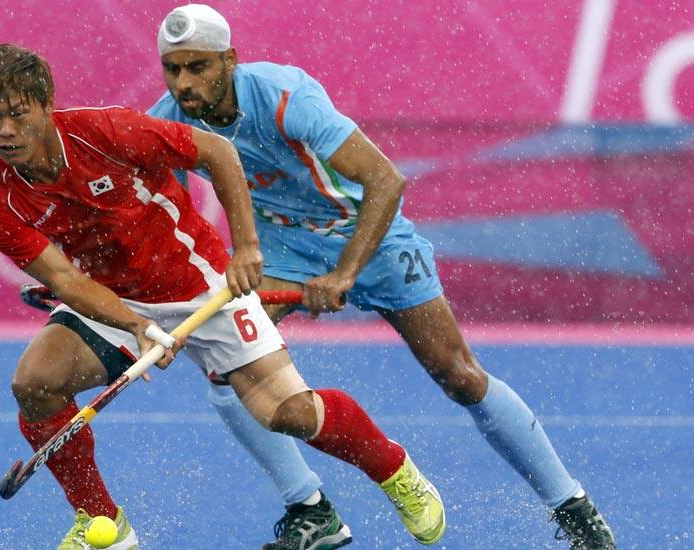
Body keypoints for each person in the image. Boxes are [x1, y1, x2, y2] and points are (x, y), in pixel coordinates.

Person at [147, 5, 616, 550]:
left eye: (198, 67)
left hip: (372, 237)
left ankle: (572, 507)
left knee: (459, 375)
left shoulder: (284, 97)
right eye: (173, 69)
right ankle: (310, 509)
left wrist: (345, 271)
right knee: (226, 367)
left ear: (230, 59)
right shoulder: (165, 122)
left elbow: (385, 181)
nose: (185, 83)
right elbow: (164, 220)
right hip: (283, 253)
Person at [0, 44, 446, 550]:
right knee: (36, 383)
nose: (5, 132)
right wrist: (133, 323)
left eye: (18, 115)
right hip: (112, 298)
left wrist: (245, 249)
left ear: (46, 105)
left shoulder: (107, 132)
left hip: (202, 288)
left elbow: (218, 152)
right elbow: (65, 280)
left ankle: (394, 470)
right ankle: (103, 525)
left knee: (288, 413)